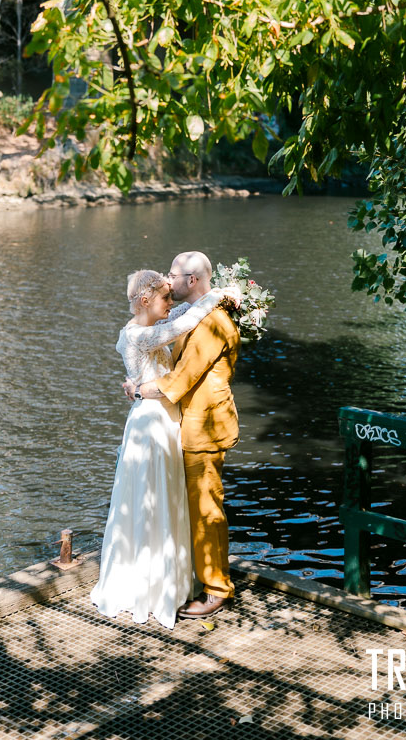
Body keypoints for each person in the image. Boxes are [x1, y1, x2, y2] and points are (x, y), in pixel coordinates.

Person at [91, 268, 229, 630]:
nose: (171, 303)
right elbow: (184, 323)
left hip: (163, 421)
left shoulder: (145, 325)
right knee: (150, 501)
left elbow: (182, 311)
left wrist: (207, 291)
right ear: (145, 300)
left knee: (163, 499)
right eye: (165, 297)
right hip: (151, 424)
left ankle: (165, 582)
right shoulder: (140, 335)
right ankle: (149, 589)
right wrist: (217, 296)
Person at [133, 250, 241, 619]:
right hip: (193, 422)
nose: (168, 279)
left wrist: (139, 390)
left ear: (191, 280)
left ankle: (217, 589)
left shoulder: (211, 324)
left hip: (205, 426)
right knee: (195, 506)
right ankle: (197, 576)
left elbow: (181, 379)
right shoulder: (198, 314)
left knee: (207, 508)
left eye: (173, 274)